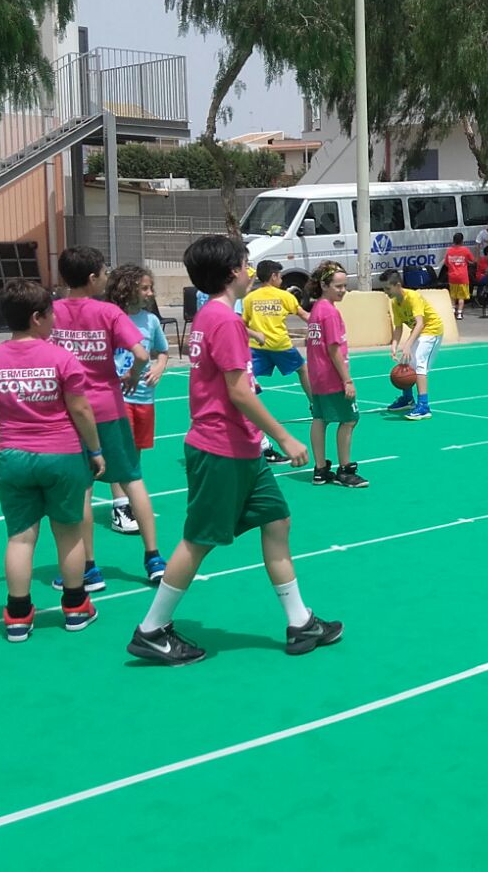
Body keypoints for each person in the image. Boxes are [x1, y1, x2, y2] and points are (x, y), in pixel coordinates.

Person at [127, 235, 341, 665]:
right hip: (220, 447)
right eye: (245, 264)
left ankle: (299, 621)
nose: (249, 271)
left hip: (241, 447)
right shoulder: (222, 320)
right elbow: (238, 392)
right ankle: (151, 629)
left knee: (277, 520)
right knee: (198, 540)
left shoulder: (213, 316)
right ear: (231, 272)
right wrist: (284, 436)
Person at [0, 280, 105, 641]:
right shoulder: (61, 358)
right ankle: (75, 606)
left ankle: (17, 614)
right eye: (51, 313)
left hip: (12, 457)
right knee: (69, 534)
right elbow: (81, 409)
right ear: (37, 317)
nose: (55, 318)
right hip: (61, 454)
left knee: (20, 539)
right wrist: (95, 449)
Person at [50, 246, 152, 592]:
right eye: (104, 272)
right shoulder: (108, 313)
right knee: (133, 479)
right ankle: (153, 558)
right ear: (92, 278)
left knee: (82, 489)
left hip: (68, 412)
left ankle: (88, 566)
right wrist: (134, 376)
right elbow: (141, 353)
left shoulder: (51, 312)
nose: (107, 277)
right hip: (108, 407)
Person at [102, 265, 170, 583]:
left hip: (144, 396)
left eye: (150, 288)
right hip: (116, 396)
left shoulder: (151, 321)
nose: (150, 294)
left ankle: (127, 499)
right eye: (144, 288)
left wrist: (159, 367)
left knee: (135, 453)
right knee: (120, 451)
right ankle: (120, 506)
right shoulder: (109, 317)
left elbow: (162, 352)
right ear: (127, 288)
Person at [305, 262, 367, 487]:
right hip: (331, 378)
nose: (342, 290)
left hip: (317, 377)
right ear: (324, 285)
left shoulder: (317, 310)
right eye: (338, 286)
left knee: (320, 419)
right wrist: (347, 380)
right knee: (350, 419)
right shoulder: (329, 312)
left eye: (345, 286)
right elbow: (333, 349)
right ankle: (345, 470)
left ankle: (320, 469)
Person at [243, 260, 313, 446]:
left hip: (257, 346)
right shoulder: (284, 296)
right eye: (280, 276)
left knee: (245, 379)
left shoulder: (250, 298)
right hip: (280, 345)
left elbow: (243, 323)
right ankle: (315, 404)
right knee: (303, 369)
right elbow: (305, 316)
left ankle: (244, 411)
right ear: (273, 276)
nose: (281, 279)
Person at [380, 270, 446, 420]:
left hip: (432, 330)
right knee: (406, 361)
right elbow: (398, 327)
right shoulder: (395, 302)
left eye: (387, 289)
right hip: (419, 331)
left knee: (419, 365)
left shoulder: (413, 297)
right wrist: (395, 344)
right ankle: (408, 399)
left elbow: (420, 323)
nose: (385, 292)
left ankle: (424, 406)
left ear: (397, 285)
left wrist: (408, 344)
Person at [442, 233, 474, 320]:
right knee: (461, 297)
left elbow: (446, 263)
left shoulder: (449, 251)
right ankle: (459, 313)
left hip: (452, 277)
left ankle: (452, 311)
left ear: (453, 240)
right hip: (463, 277)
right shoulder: (465, 250)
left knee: (453, 295)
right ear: (462, 241)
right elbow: (472, 260)